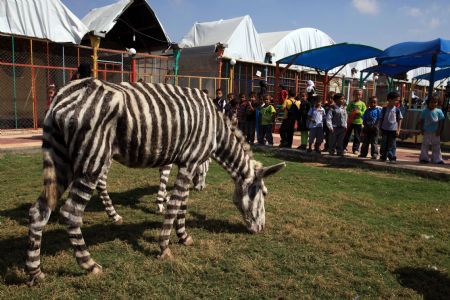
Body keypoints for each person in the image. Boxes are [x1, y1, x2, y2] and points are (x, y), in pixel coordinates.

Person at [418, 97, 445, 164]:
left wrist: (439, 130)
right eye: (431, 102)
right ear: (428, 103)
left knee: (436, 145)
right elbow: (421, 121)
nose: (433, 104)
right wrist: (421, 129)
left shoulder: (439, 111)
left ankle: (437, 159)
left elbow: (441, 122)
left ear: (437, 103)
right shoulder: (424, 111)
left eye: (435, 102)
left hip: (435, 132)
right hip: (426, 131)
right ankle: (424, 158)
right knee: (425, 145)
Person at [379, 91, 403, 163]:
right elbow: (381, 119)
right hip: (385, 129)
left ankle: (392, 157)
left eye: (398, 100)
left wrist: (398, 129)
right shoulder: (384, 109)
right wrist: (380, 128)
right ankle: (383, 156)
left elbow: (400, 119)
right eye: (396, 100)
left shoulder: (397, 110)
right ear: (390, 99)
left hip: (393, 130)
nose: (397, 102)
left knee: (392, 144)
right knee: (384, 143)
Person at [343, 88, 366, 155]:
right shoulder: (351, 103)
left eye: (359, 95)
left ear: (361, 95)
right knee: (347, 135)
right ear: (353, 95)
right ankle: (344, 147)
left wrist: (359, 112)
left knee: (357, 136)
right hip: (350, 122)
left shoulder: (362, 104)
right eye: (356, 94)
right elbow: (347, 110)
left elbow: (364, 112)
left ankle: (355, 149)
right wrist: (351, 113)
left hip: (358, 122)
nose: (357, 96)